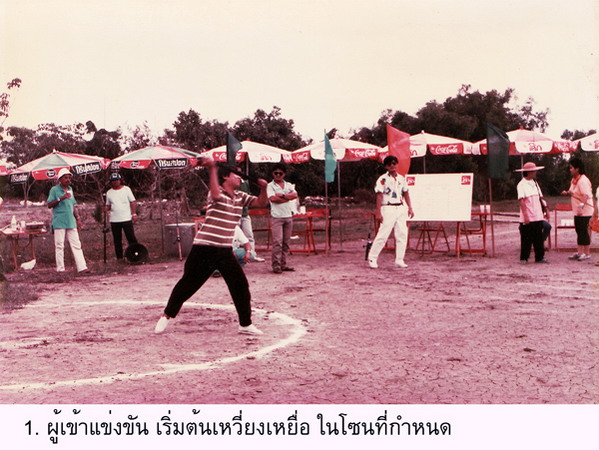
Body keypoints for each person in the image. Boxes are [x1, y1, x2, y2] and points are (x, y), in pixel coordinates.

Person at [154, 159, 268, 336]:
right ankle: (167, 315)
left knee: (240, 284)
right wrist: (212, 168)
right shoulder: (216, 193)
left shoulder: (240, 197)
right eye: (236, 174)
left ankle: (245, 324)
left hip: (224, 250)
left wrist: (264, 188)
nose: (240, 178)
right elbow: (215, 196)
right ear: (225, 176)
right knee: (188, 285)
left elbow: (261, 203)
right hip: (204, 248)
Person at [367, 155, 414, 269]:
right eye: (389, 164)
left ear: (397, 164)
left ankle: (399, 259)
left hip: (400, 207)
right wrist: (378, 212)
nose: (392, 166)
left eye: (394, 163)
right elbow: (379, 195)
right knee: (383, 234)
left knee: (402, 233)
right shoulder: (382, 179)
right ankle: (372, 257)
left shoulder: (401, 179)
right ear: (386, 166)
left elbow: (406, 193)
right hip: (388, 207)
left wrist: (410, 207)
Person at [47, 168, 89, 273]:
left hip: (71, 220)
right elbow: (49, 204)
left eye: (69, 177)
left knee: (76, 244)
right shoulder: (54, 190)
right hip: (59, 220)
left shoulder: (70, 189)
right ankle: (60, 269)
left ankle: (82, 267)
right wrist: (61, 198)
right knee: (59, 245)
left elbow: (74, 205)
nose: (68, 180)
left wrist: (78, 219)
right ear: (60, 179)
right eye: (65, 177)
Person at [267, 164, 298, 274]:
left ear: (284, 174)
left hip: (288, 216)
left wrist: (283, 196)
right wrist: (287, 197)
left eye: (280, 173)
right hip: (277, 217)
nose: (278, 175)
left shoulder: (288, 184)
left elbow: (294, 195)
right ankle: (276, 265)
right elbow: (273, 198)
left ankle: (283, 264)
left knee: (286, 242)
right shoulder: (270, 186)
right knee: (277, 242)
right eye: (276, 173)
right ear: (273, 174)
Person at [561, 157, 593, 261]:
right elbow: (573, 191)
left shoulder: (583, 180)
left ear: (577, 169)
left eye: (571, 168)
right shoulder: (574, 180)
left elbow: (586, 195)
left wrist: (581, 207)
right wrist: (567, 192)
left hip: (585, 212)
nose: (570, 170)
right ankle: (580, 252)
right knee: (579, 231)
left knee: (584, 231)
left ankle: (587, 253)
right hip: (577, 212)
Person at [515, 162, 547, 264]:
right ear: (528, 172)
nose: (535, 173)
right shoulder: (521, 185)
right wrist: (526, 216)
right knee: (526, 239)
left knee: (538, 238)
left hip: (537, 215)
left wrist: (545, 210)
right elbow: (522, 202)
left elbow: (540, 198)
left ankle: (539, 257)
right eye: (533, 171)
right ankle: (524, 258)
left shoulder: (535, 183)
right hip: (528, 216)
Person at [104, 172, 138, 261]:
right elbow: (109, 205)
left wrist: (134, 214)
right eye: (113, 181)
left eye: (117, 180)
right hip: (115, 219)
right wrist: (106, 208)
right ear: (110, 182)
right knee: (117, 240)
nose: (115, 182)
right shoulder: (109, 193)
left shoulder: (126, 189)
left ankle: (135, 254)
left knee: (131, 237)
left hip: (126, 218)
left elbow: (133, 202)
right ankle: (119, 257)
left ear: (120, 180)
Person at [237, 179, 265, 262]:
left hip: (245, 214)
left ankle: (252, 254)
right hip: (235, 214)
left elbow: (256, 200)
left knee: (249, 235)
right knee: (236, 238)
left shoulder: (245, 183)